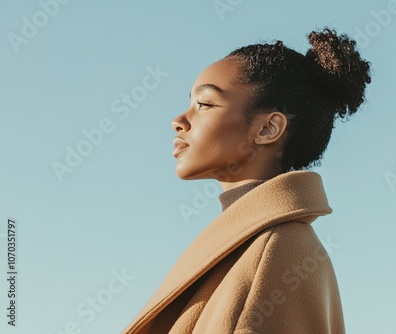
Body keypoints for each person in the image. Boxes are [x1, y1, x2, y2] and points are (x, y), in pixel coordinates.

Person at [123, 27, 371, 333]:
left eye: (205, 104)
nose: (178, 121)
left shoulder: (275, 251)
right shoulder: (252, 245)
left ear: (268, 129)